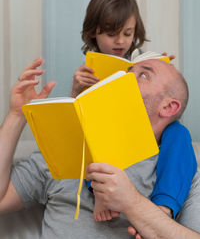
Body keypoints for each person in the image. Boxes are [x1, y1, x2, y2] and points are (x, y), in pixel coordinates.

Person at [0, 58, 199, 239]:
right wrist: (17, 115)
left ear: (168, 107)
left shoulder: (181, 171)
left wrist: (132, 203)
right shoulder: (64, 148)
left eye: (144, 75)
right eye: (128, 71)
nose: (125, 77)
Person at [71, 0, 196, 221]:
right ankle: (100, 193)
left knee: (179, 133)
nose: (120, 41)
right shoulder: (90, 69)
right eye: (111, 34)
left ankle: (164, 206)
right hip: (111, 131)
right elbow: (77, 119)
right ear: (93, 33)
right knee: (93, 134)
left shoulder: (141, 59)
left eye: (127, 34)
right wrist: (77, 90)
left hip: (146, 131)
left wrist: (162, 70)